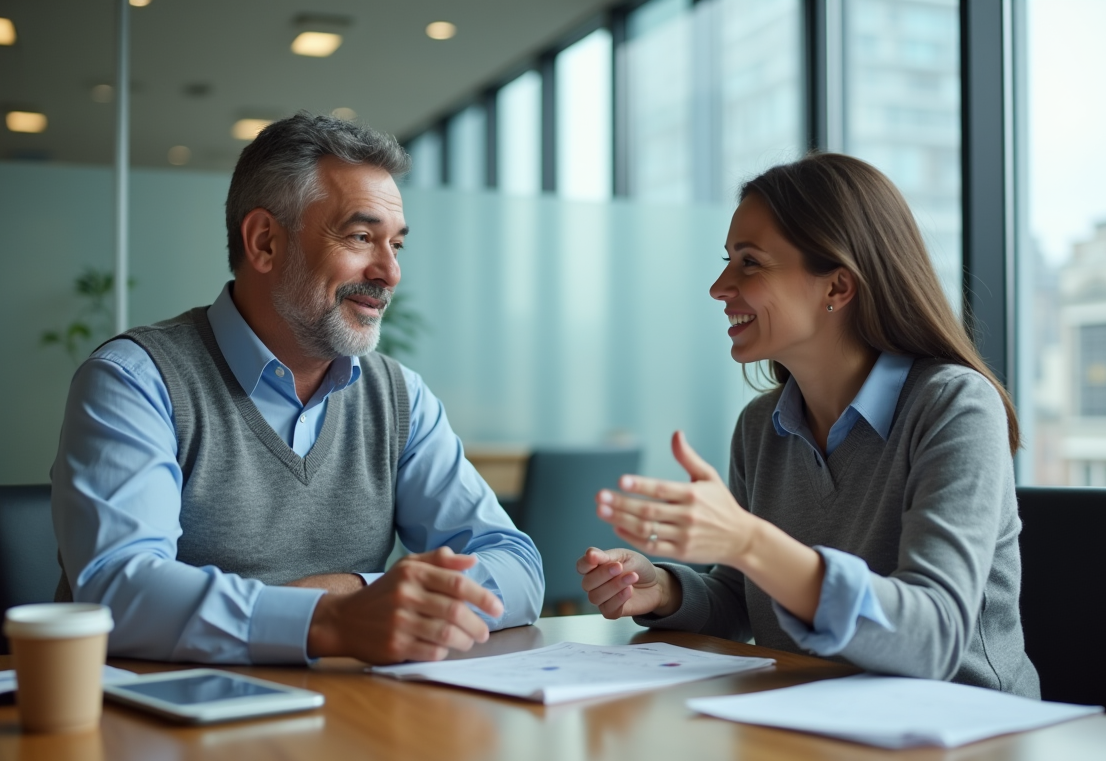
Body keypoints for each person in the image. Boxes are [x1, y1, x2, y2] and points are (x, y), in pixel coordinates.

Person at [53, 113, 543, 665]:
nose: (389, 273)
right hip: (164, 729)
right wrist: (329, 620)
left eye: (396, 245)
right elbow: (117, 592)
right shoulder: (135, 382)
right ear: (265, 242)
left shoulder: (399, 397)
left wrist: (353, 593)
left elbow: (516, 565)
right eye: (361, 237)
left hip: (347, 718)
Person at [576, 153, 1039, 697]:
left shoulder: (955, 407)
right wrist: (666, 589)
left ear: (837, 288)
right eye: (728, 260)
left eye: (749, 263)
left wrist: (749, 541)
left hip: (969, 739)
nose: (720, 287)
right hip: (818, 725)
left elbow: (932, 637)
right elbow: (747, 599)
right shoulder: (760, 427)